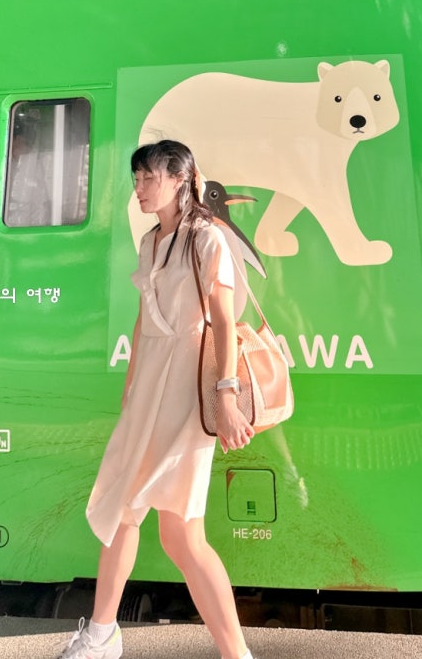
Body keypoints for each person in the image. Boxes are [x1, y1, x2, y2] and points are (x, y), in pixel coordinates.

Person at [60, 140, 256, 659]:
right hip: (149, 384)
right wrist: (132, 383)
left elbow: (223, 322)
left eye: (149, 178)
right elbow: (144, 315)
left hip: (186, 391)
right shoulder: (151, 241)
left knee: (182, 536)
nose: (140, 189)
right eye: (137, 179)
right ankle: (102, 633)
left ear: (180, 180)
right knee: (123, 507)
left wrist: (227, 395)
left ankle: (236, 654)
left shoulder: (207, 238)